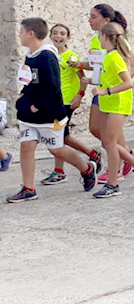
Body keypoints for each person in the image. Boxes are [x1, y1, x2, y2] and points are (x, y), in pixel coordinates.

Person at [6, 18, 98, 203]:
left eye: (21, 32)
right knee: (26, 147)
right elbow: (30, 81)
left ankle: (87, 169)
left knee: (56, 149)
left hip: (48, 114)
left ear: (30, 33)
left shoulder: (47, 56)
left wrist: (38, 105)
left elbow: (52, 86)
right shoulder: (30, 54)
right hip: (29, 115)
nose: (20, 35)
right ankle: (28, 188)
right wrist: (24, 99)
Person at [89, 22, 134, 199]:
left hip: (118, 104)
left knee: (109, 143)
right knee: (108, 143)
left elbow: (128, 82)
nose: (97, 39)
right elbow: (109, 79)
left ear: (105, 37)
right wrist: (92, 82)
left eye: (99, 36)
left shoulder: (114, 57)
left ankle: (113, 184)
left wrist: (104, 91)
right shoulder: (108, 56)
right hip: (108, 103)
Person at [84, 4, 134, 184]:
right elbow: (98, 65)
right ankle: (130, 156)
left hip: (112, 94)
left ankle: (115, 172)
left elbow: (131, 68)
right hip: (100, 90)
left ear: (106, 20)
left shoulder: (118, 43)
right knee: (96, 129)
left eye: (93, 16)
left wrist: (114, 87)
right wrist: (80, 66)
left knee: (109, 139)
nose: (89, 20)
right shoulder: (96, 40)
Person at [45, 23, 102, 185]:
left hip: (66, 102)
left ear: (68, 38)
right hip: (52, 102)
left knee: (57, 137)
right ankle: (92, 154)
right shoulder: (49, 55)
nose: (58, 36)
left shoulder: (72, 57)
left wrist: (79, 96)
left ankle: (59, 172)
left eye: (62, 33)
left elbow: (82, 78)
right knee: (64, 137)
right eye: (55, 33)